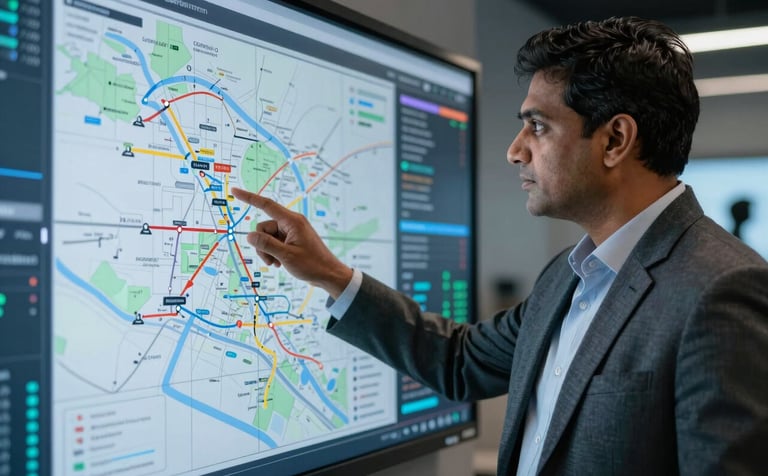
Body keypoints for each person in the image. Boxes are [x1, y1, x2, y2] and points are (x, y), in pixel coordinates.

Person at [232, 16, 768, 476]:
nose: (515, 151)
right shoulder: (570, 273)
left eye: (537, 126)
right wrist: (328, 272)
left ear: (614, 140)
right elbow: (460, 362)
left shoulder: (720, 290)